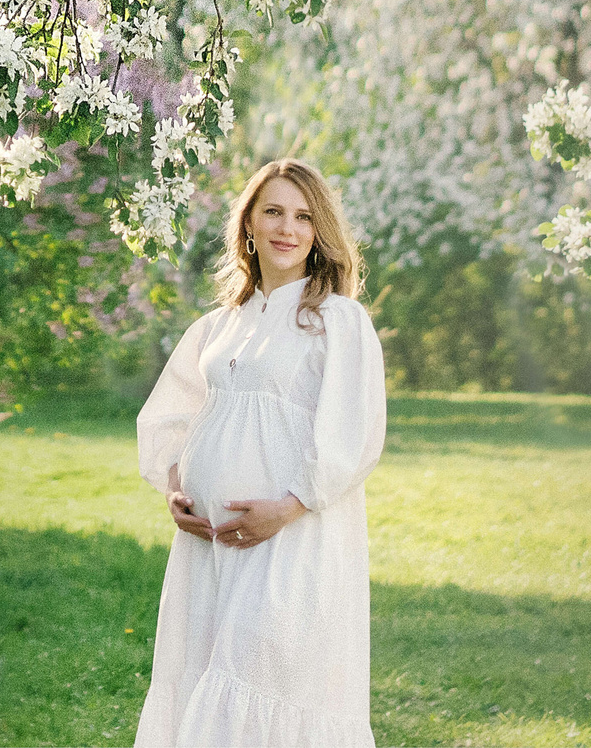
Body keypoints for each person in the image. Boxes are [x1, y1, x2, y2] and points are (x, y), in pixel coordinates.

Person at [134, 157, 388, 748]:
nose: (287, 229)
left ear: (319, 231)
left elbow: (354, 434)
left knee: (263, 672)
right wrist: (178, 488)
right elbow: (173, 416)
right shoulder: (221, 326)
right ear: (248, 222)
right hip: (210, 546)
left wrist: (290, 506)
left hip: (290, 538)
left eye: (303, 217)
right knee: (202, 673)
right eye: (272, 211)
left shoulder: (336, 321)